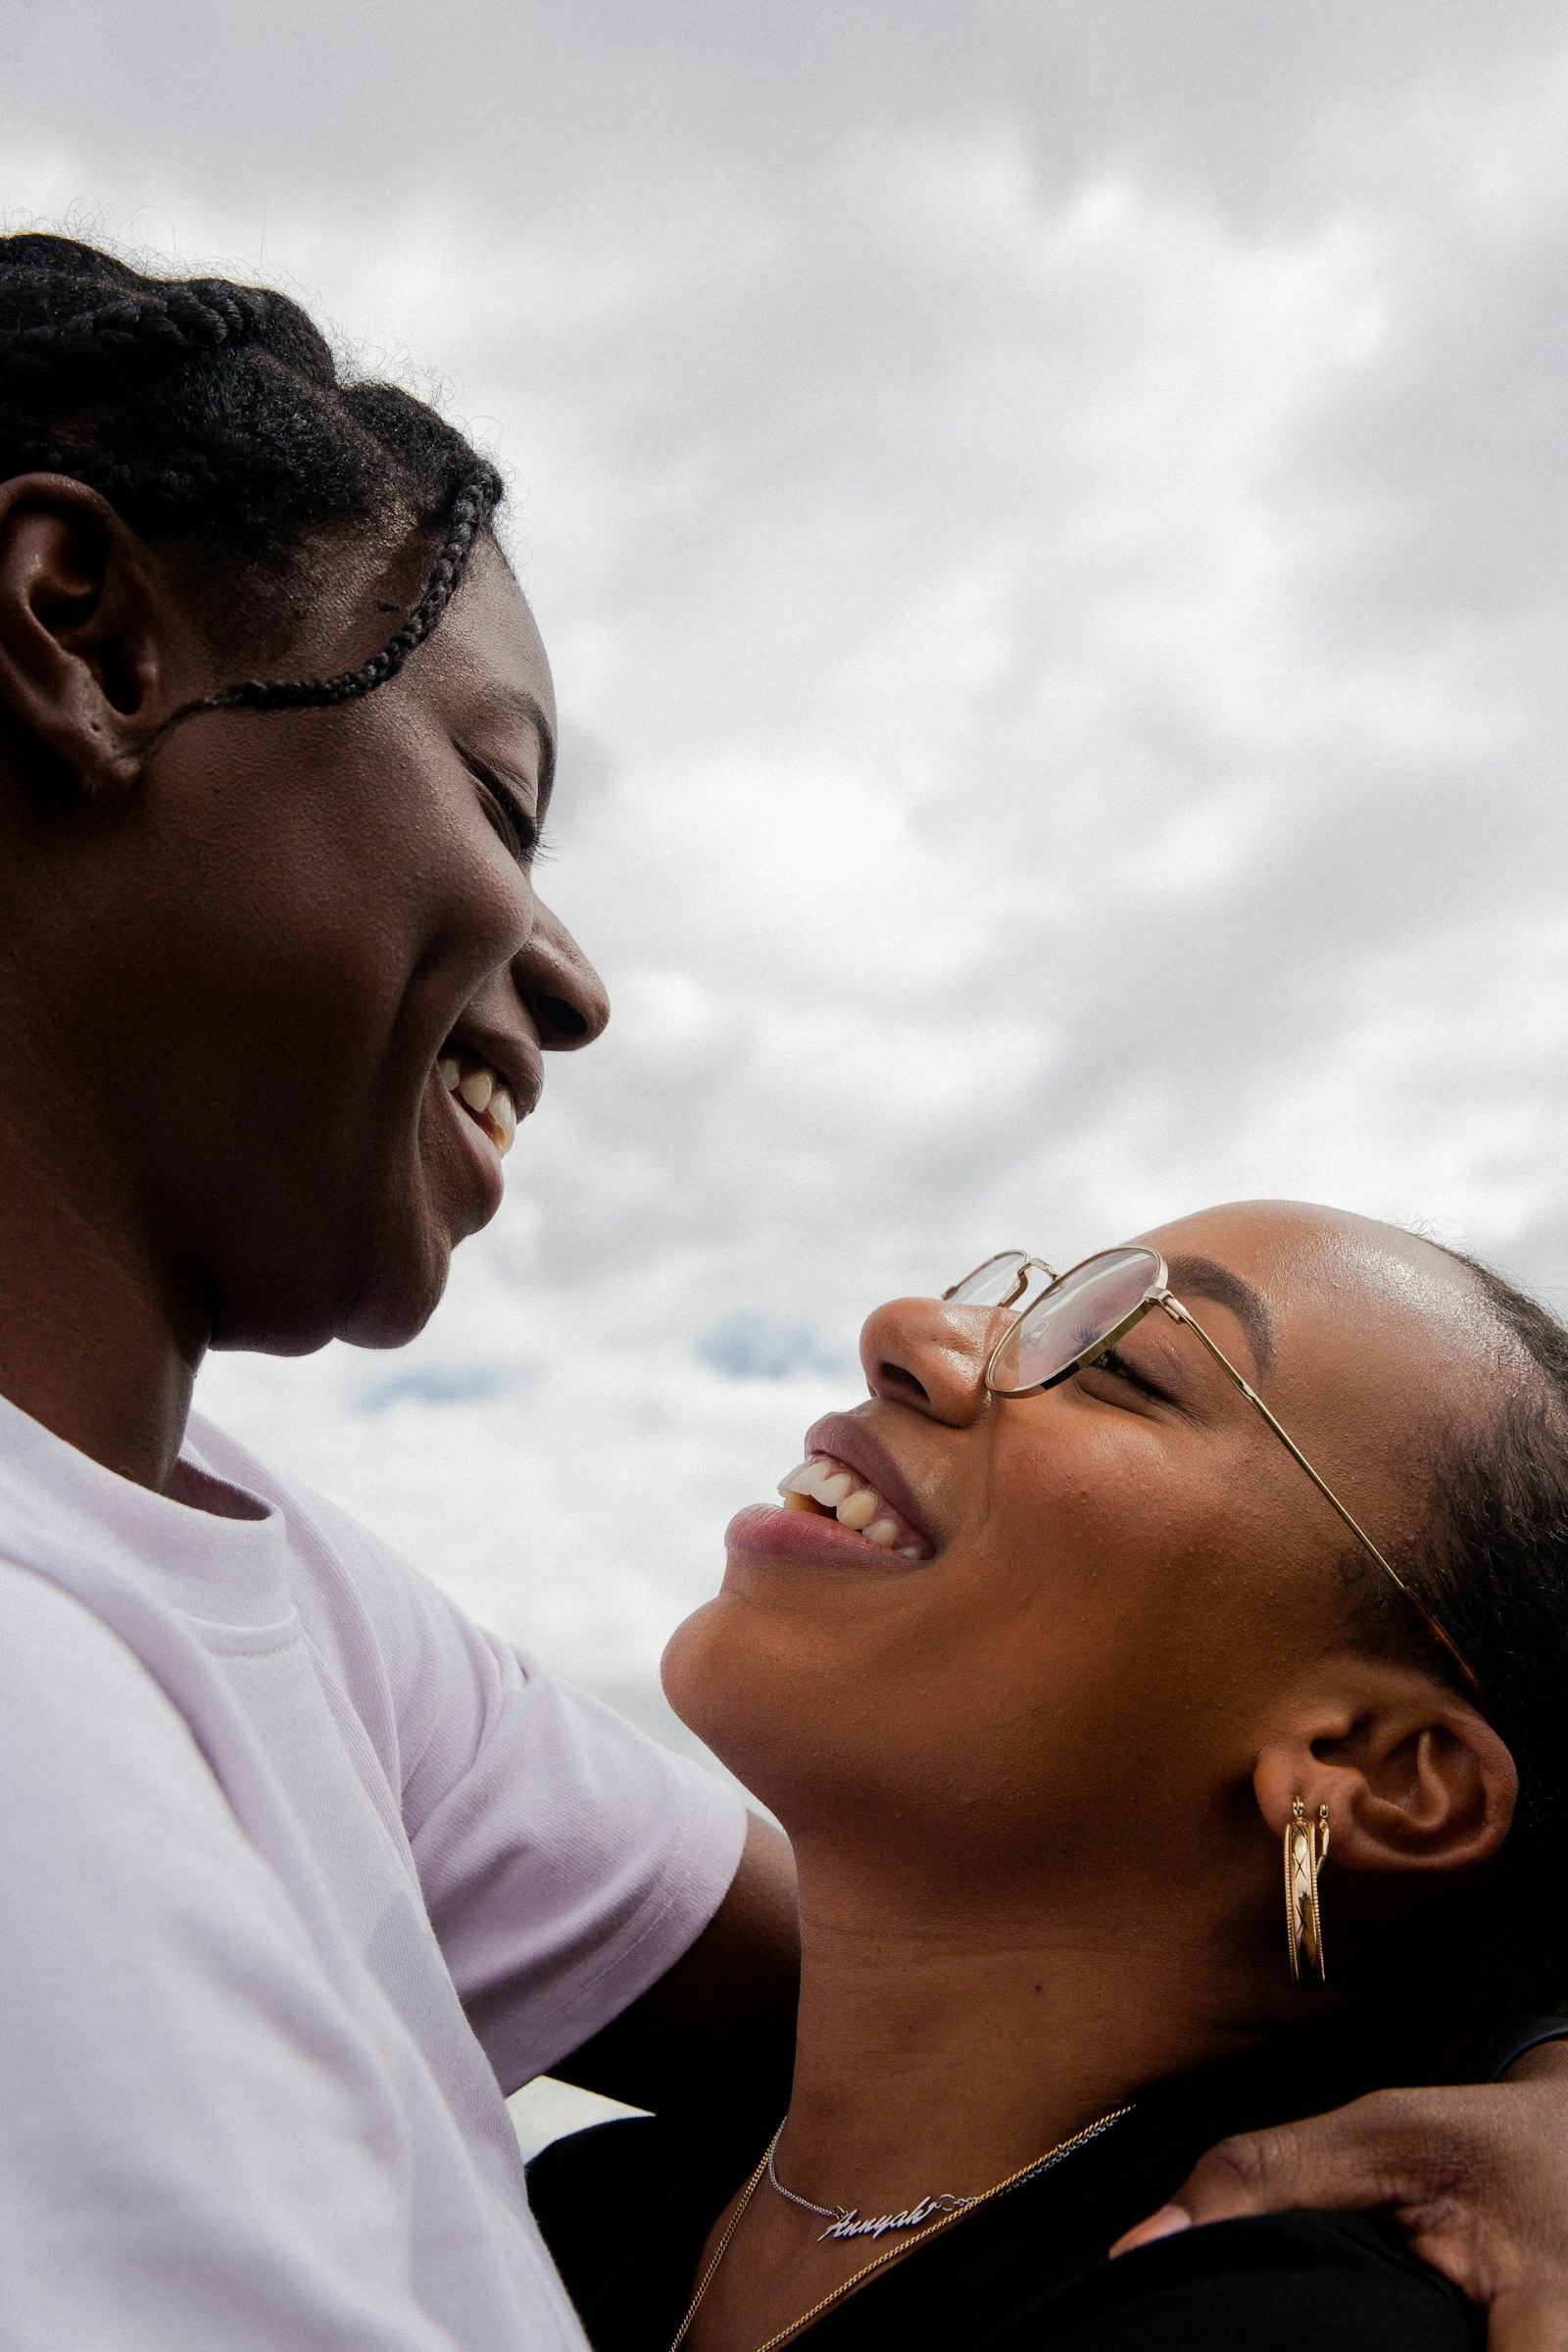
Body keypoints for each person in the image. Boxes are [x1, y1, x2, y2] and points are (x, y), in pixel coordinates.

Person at [0, 233, 799, 2350]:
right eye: (498, 798)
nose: (573, 981)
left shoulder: (263, 1590)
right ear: (80, 638)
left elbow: (926, 2013)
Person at [530, 1204, 1568, 2351]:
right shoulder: (564, 2212)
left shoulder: (1277, 2316)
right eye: (1030, 1308)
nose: (910, 1329)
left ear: (1372, 1770)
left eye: (1122, 1367)